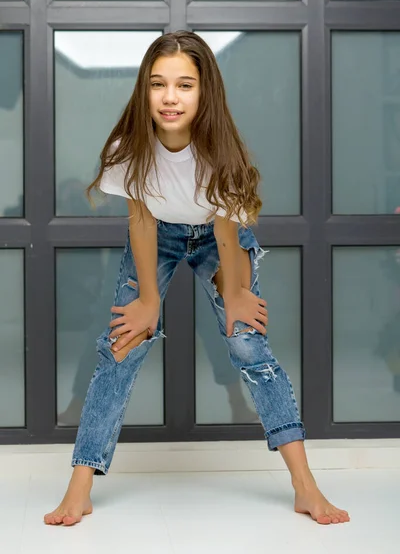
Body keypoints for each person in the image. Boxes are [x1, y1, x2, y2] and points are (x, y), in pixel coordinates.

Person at [44, 31, 350, 527]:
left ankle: (305, 486)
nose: (170, 97)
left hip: (217, 236)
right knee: (120, 344)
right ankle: (79, 486)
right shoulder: (130, 148)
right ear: (144, 89)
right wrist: (147, 301)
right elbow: (141, 222)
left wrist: (233, 293)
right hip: (158, 236)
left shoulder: (221, 152)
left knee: (248, 345)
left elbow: (227, 229)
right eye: (158, 84)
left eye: (184, 85)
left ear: (204, 92)